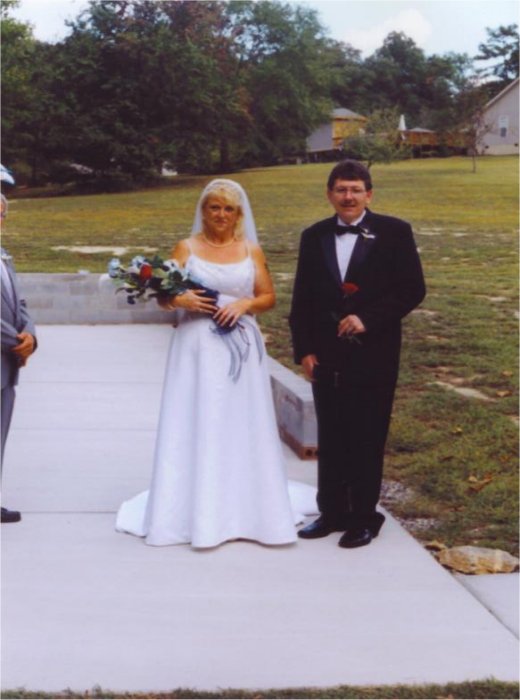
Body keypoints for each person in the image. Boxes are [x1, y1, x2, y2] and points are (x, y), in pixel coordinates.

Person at [116, 179, 300, 548]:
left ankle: (247, 508)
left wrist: (244, 304)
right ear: (203, 211)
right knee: (197, 415)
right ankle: (191, 509)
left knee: (239, 417)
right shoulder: (186, 248)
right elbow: (164, 297)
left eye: (228, 209)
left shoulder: (251, 250)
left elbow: (268, 297)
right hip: (196, 347)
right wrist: (179, 301)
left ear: (238, 214)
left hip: (242, 347)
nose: (220, 214)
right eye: (213, 207)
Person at [289, 160, 426, 548]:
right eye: (340, 189)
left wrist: (368, 319)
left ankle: (364, 517)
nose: (348, 196)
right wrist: (305, 350)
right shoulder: (313, 236)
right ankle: (331, 512)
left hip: (375, 354)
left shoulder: (395, 233)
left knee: (367, 435)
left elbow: (412, 289)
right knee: (331, 435)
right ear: (329, 194)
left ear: (369, 193)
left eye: (355, 189)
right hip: (327, 356)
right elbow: (302, 298)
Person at [1, 194, 37, 523]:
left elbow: (20, 304)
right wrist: (17, 342)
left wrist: (31, 336)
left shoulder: (4, 258)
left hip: (6, 367)